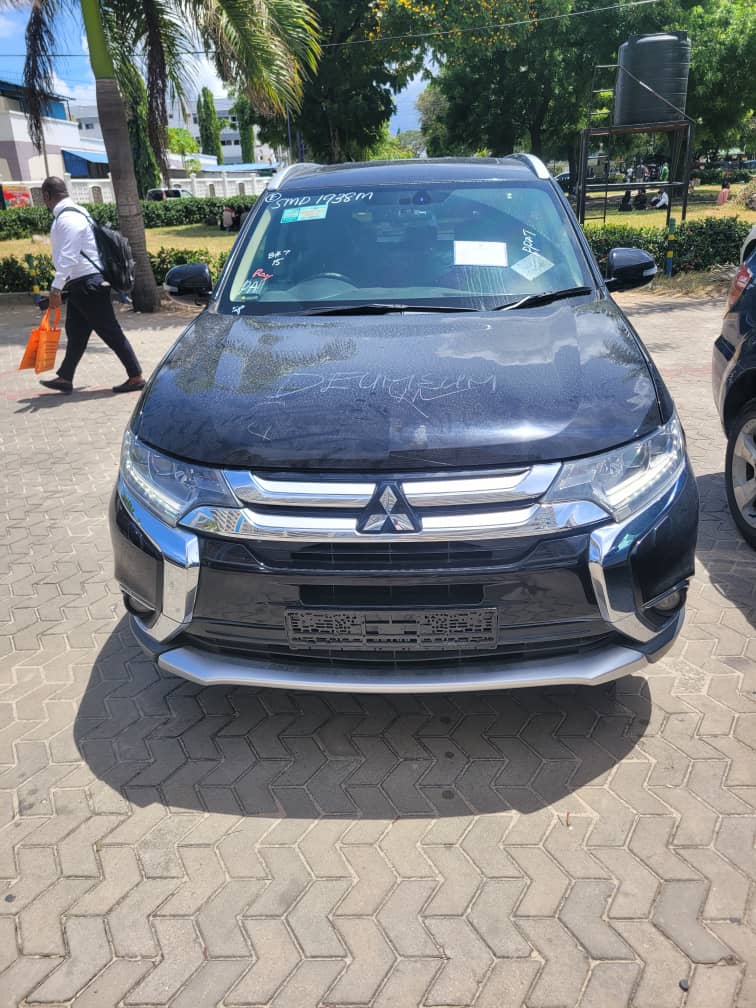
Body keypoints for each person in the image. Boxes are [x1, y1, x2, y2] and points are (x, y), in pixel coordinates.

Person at [37, 177, 144, 395]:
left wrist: (56, 288)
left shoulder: (68, 218)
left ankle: (136, 376)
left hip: (87, 285)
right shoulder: (77, 212)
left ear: (47, 195)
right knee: (76, 332)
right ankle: (65, 377)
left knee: (110, 331)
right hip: (81, 285)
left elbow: (69, 255)